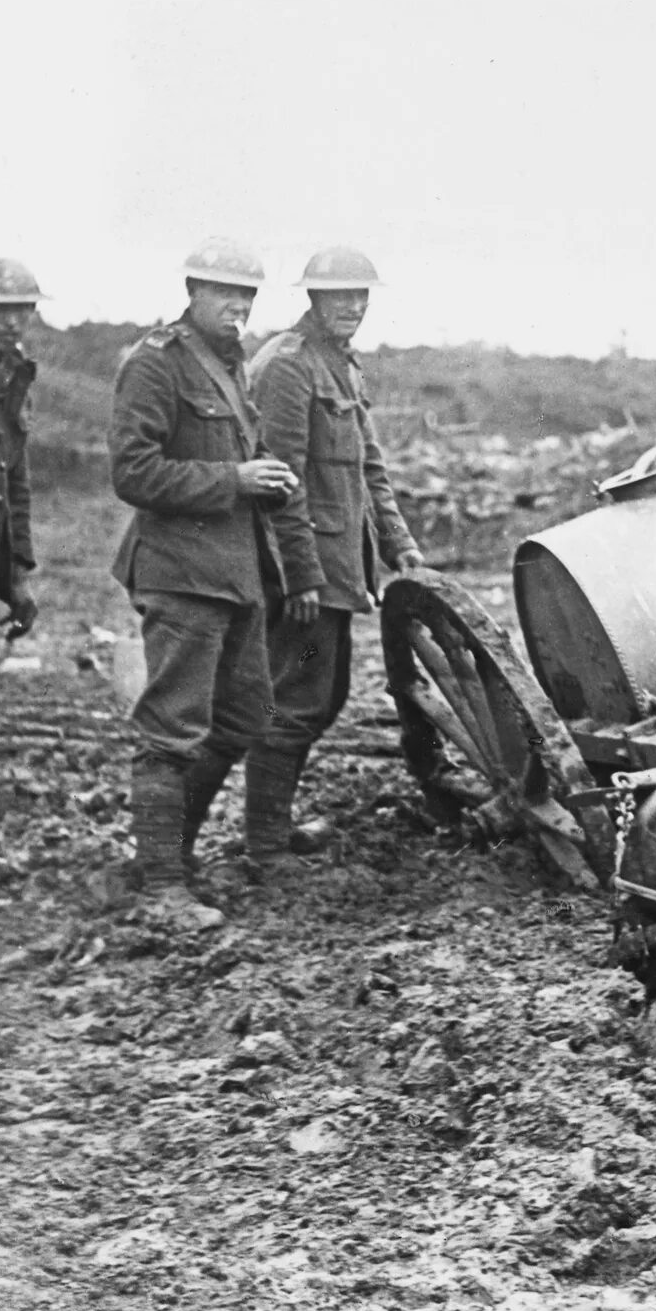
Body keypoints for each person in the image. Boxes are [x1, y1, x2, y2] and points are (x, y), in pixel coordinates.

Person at [111, 237, 299, 928]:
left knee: (244, 717)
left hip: (237, 574)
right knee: (171, 729)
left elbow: (232, 462)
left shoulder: (232, 368)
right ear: (193, 290)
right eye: (225, 292)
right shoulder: (155, 364)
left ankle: (170, 854)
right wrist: (234, 481)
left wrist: (264, 486)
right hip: (180, 575)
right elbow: (132, 472)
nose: (238, 307)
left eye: (248, 295)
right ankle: (162, 886)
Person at [243, 246, 424, 877]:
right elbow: (279, 482)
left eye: (361, 295)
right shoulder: (286, 369)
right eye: (339, 295)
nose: (352, 305)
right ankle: (265, 846)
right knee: (297, 699)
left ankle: (275, 826)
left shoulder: (342, 367)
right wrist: (300, 577)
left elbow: (370, 468)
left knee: (323, 696)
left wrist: (400, 544)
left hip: (341, 570)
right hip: (306, 576)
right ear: (313, 298)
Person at [0, 258, 44, 647]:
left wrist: (17, 575)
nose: (11, 321)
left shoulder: (15, 377)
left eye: (22, 309)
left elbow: (13, 487)